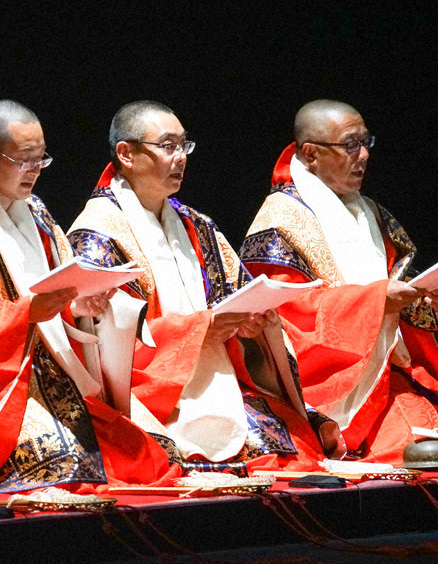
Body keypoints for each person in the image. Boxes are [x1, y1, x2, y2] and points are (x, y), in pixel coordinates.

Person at [0, 99, 179, 492]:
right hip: (3, 389)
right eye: (24, 159)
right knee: (67, 466)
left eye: (41, 159)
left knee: (157, 452)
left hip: (57, 374)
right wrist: (26, 314)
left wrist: (80, 306)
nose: (34, 171)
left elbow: (62, 293)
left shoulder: (36, 212)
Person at [67, 101, 345, 473]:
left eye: (185, 145)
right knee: (157, 462)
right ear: (126, 153)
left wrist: (249, 327)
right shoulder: (96, 235)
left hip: (217, 379)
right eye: (168, 146)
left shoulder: (197, 226)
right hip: (146, 398)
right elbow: (100, 349)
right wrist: (199, 331)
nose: (180, 157)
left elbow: (240, 298)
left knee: (289, 449)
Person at [240, 99, 438, 462]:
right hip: (335, 384)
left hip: (394, 371)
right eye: (350, 145)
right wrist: (377, 300)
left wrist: (432, 304)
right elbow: (284, 314)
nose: (363, 155)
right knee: (414, 451)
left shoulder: (371, 212)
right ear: (310, 154)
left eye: (366, 142)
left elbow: (402, 282)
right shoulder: (279, 224)